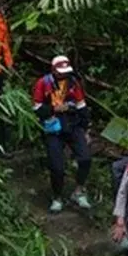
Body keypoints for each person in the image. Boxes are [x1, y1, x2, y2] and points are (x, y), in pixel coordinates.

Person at [32, 55, 92, 213]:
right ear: (53, 70)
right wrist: (53, 109)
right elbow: (37, 108)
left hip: (73, 125)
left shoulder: (73, 83)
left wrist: (86, 129)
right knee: (57, 167)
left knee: (85, 158)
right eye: (60, 72)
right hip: (53, 127)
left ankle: (79, 190)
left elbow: (81, 105)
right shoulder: (43, 83)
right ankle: (57, 197)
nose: (63, 75)